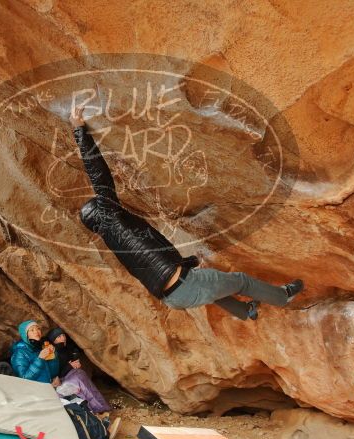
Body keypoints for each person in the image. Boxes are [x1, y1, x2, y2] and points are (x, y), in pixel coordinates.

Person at [69, 105, 303, 320]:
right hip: (186, 284)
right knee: (240, 282)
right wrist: (79, 130)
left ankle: (245, 311)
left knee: (213, 289)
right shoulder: (111, 217)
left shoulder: (113, 240)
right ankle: (283, 296)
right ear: (100, 210)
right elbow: (98, 175)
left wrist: (188, 261)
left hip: (173, 298)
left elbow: (155, 261)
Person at [47, 327, 112, 413]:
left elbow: (71, 360)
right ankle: (94, 410)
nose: (63, 338)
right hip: (62, 381)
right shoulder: (53, 354)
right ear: (54, 341)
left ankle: (100, 407)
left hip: (73, 374)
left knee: (84, 380)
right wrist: (70, 366)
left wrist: (75, 363)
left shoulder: (67, 348)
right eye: (59, 337)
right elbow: (55, 373)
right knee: (80, 385)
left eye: (63, 335)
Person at [10, 320, 61, 385]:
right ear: (25, 335)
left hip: (48, 388)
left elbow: (52, 373)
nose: (36, 332)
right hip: (34, 392)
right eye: (32, 330)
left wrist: (54, 356)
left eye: (38, 329)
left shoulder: (40, 348)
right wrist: (40, 359)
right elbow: (24, 379)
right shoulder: (19, 353)